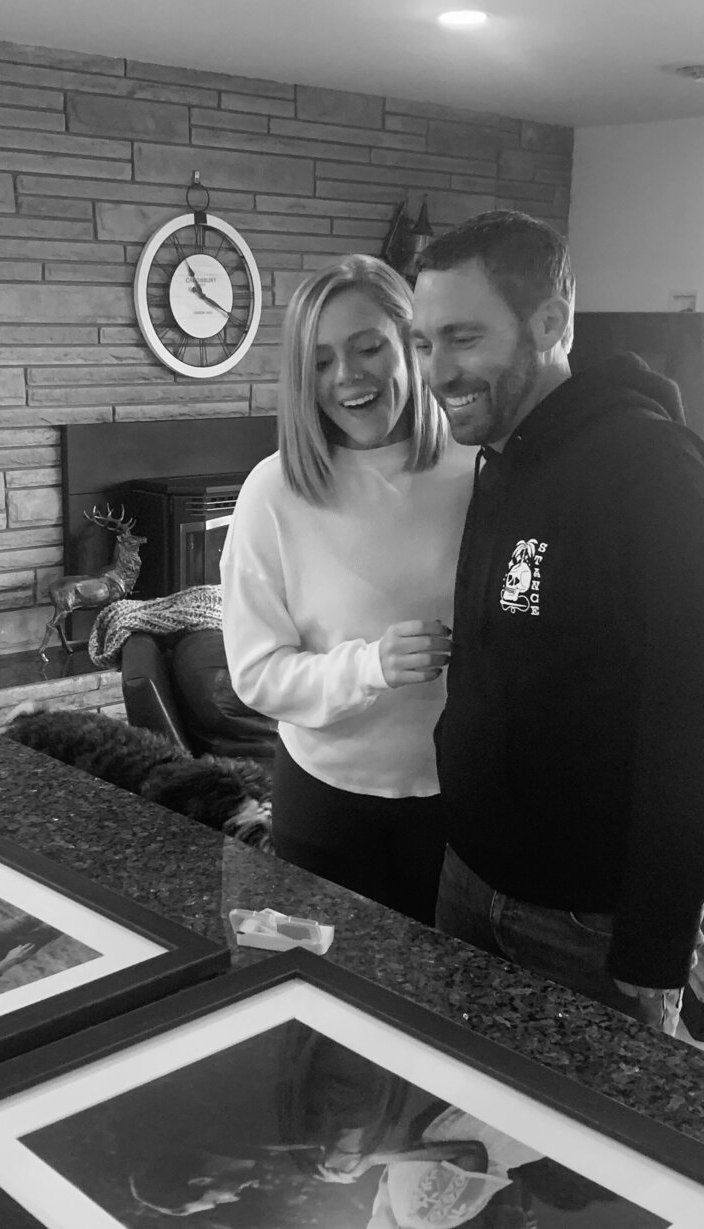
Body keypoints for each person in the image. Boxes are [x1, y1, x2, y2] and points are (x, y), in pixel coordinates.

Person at [409, 211, 704, 1034]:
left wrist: (657, 941)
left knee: (584, 1155)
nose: (436, 370)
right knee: (463, 1128)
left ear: (549, 323)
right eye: (423, 342)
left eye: (462, 337)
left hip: (585, 926)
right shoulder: (501, 452)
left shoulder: (656, 472)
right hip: (468, 879)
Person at [220, 254, 476, 924]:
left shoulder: (480, 470)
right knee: (332, 1004)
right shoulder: (272, 493)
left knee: (449, 1007)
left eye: (368, 348)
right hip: (327, 803)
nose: (348, 377)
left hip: (465, 805)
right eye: (323, 360)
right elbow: (255, 673)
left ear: (410, 347)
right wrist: (370, 665)